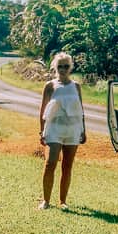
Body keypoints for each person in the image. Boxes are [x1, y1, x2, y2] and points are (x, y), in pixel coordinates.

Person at [38, 52, 86, 209]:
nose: (63, 69)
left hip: (72, 130)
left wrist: (83, 130)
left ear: (70, 67)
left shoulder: (76, 86)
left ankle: (63, 201)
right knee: (50, 163)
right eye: (60, 66)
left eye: (66, 66)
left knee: (67, 166)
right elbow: (43, 110)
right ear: (55, 67)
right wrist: (41, 131)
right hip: (54, 129)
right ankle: (46, 201)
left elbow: (80, 110)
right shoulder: (50, 86)